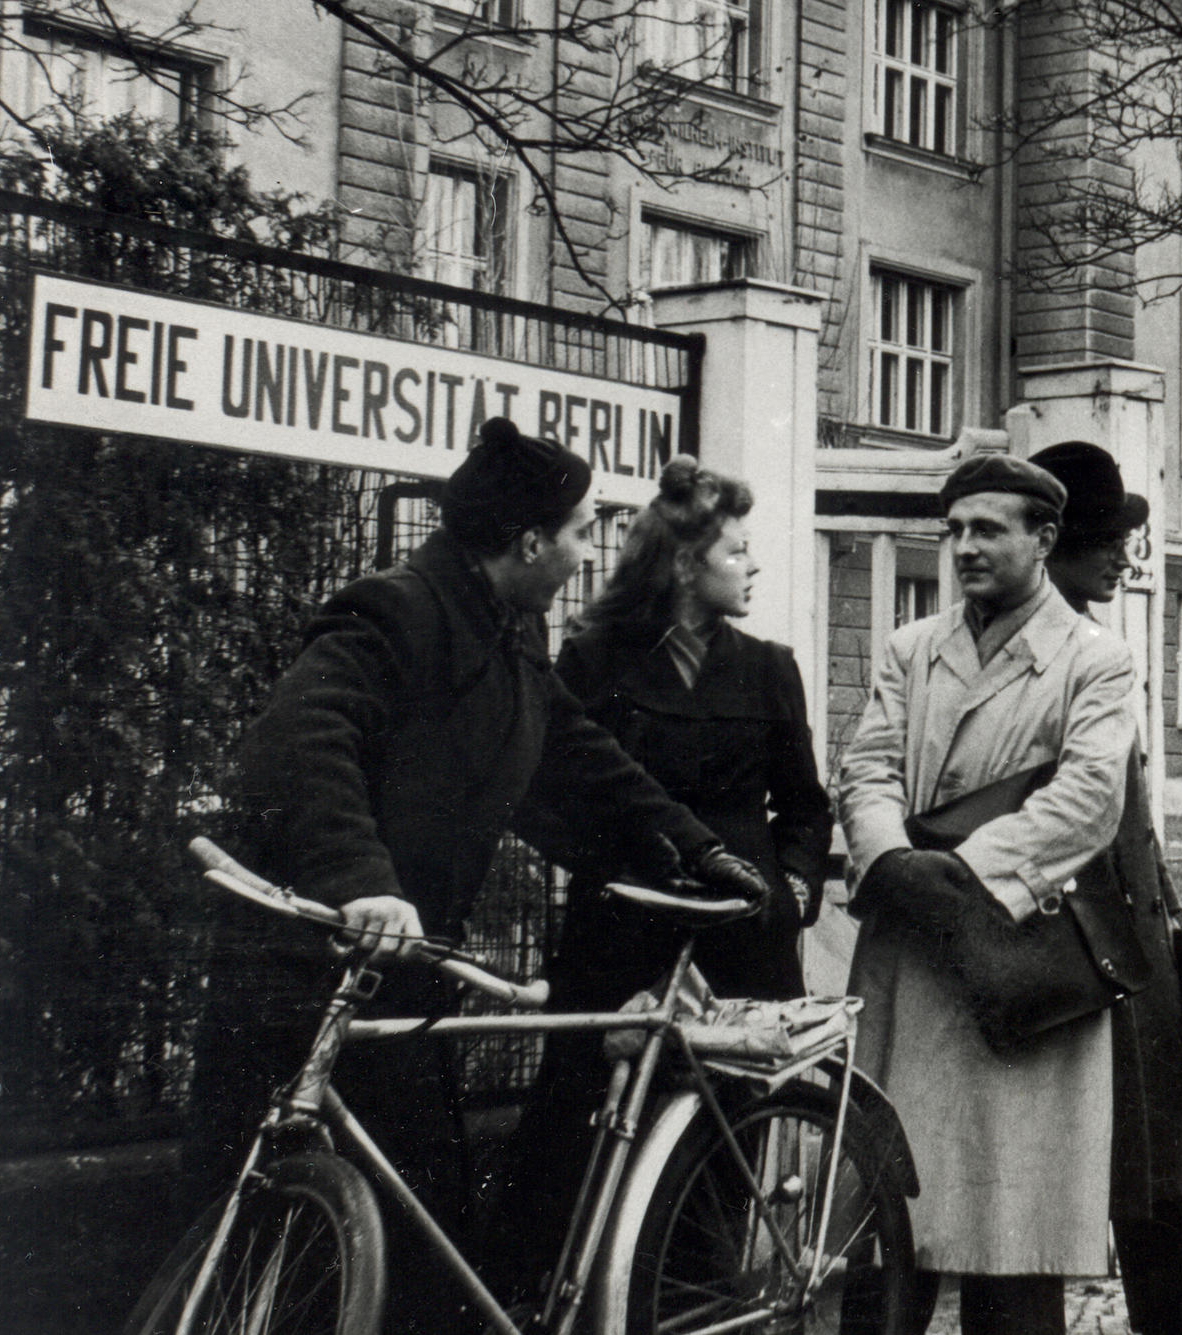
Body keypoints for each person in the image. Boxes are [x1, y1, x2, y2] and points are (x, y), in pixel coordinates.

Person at [193, 418, 767, 1322]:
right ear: (528, 540)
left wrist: (693, 842)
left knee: (417, 1249)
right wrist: (363, 879)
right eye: (579, 530)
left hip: (398, 973)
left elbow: (577, 751)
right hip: (307, 970)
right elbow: (308, 736)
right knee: (258, 1250)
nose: (586, 552)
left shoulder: (512, 630)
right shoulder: (394, 609)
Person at [490, 455, 832, 1292]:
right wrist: (615, 870)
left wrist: (790, 887)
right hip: (619, 936)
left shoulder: (768, 667)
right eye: (735, 553)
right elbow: (536, 790)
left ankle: (693, 1310)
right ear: (684, 565)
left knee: (715, 1167)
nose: (752, 566)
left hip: (740, 943)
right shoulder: (595, 660)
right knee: (570, 1147)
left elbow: (805, 806)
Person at [836, 453, 1135, 1335]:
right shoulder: (913, 648)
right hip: (913, 957)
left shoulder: (1096, 659)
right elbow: (867, 767)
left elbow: (1087, 801)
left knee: (1013, 1238)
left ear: (1044, 539)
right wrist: (890, 854)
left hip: (1021, 964)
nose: (964, 548)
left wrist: (961, 873)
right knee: (888, 1218)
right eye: (954, 530)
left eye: (987, 530)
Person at [1029, 441, 1182, 1335]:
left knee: (1153, 1138)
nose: (1122, 555)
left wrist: (1168, 911)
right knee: (1129, 1142)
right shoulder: (1057, 649)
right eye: (1104, 539)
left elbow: (1131, 803)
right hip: (1088, 934)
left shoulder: (1092, 641)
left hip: (1132, 928)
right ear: (1058, 542)